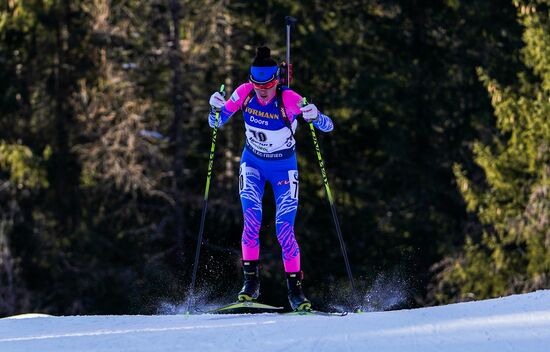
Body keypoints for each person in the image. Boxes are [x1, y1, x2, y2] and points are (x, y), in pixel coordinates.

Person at [207, 46, 334, 311]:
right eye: (257, 85)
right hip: (252, 163)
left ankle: (296, 292)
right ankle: (250, 283)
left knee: (284, 229)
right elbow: (217, 122)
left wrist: (315, 115)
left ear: (276, 81)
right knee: (251, 220)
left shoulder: (289, 99)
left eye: (267, 85)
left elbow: (328, 126)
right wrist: (215, 108)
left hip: (283, 169)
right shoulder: (243, 93)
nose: (262, 91)